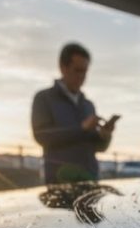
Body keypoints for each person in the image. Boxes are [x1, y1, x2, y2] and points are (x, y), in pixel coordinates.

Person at [31, 43, 116, 183]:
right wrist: (81, 128)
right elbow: (41, 136)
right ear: (63, 67)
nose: (82, 76)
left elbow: (98, 148)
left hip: (90, 180)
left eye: (85, 71)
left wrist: (105, 136)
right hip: (59, 183)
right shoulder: (44, 98)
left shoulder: (88, 105)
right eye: (77, 70)